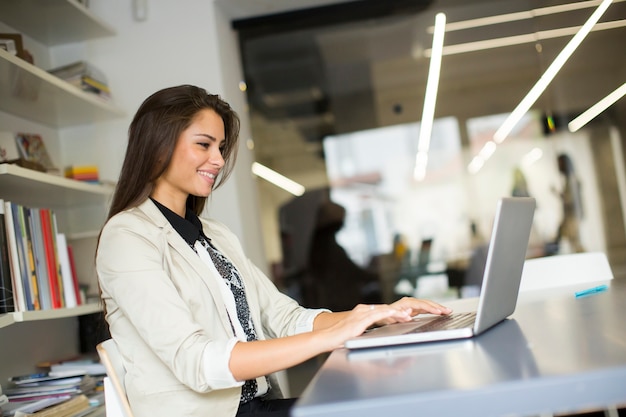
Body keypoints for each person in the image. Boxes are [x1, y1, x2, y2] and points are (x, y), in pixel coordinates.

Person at [95, 85, 452, 417]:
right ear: (159, 145)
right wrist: (331, 336)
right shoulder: (127, 237)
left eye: (220, 147)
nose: (218, 160)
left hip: (258, 405)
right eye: (204, 145)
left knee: (391, 398)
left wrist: (372, 314)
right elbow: (198, 362)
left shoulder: (215, 235)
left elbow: (283, 317)